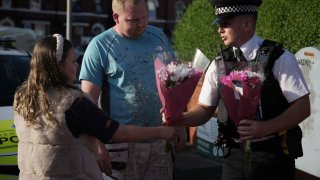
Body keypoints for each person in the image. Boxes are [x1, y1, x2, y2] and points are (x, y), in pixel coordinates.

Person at [172, 0, 311, 179]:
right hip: (234, 157)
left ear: (247, 23)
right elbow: (205, 109)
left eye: (225, 23)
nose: (219, 29)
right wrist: (180, 119)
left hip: (273, 157)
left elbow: (303, 106)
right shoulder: (218, 64)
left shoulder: (280, 58)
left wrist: (266, 127)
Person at [13, 34, 178, 180]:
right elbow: (119, 133)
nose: (77, 65)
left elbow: (66, 133)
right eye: (73, 61)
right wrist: (161, 131)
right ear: (59, 68)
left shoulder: (24, 98)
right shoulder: (72, 104)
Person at [79, 0, 186, 179]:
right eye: (133, 20)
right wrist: (96, 144)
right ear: (116, 17)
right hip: (121, 146)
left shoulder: (158, 36)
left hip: (161, 140)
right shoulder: (99, 46)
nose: (142, 24)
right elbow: (87, 103)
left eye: (145, 17)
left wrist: (180, 123)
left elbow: (173, 82)